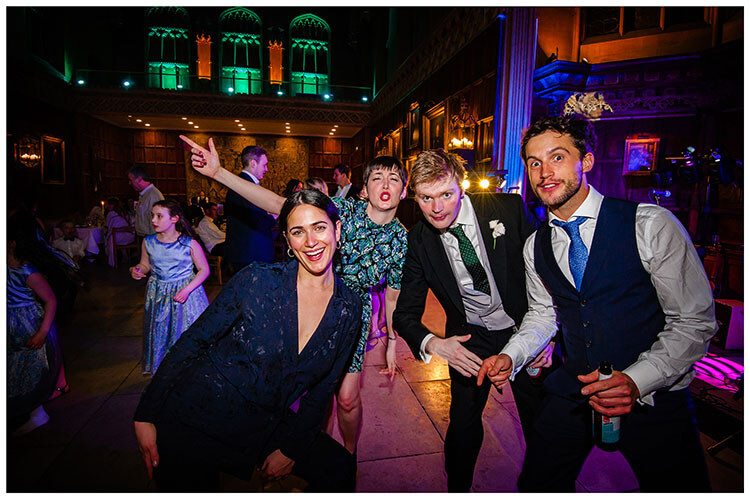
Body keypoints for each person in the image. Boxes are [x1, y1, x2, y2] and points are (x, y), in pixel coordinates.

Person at [478, 115, 716, 492]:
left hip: (653, 394)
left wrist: (637, 381)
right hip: (574, 388)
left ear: (585, 161)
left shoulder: (649, 224)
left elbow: (693, 321)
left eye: (557, 157)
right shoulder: (534, 245)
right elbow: (544, 315)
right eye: (534, 162)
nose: (543, 172)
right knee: (538, 483)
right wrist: (513, 355)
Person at [179, 135, 408, 457]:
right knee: (313, 396)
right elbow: (278, 204)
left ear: (404, 190)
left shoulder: (402, 240)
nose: (385, 184)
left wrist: (392, 344)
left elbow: (394, 296)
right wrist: (219, 173)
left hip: (352, 318)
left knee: (346, 398)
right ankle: (312, 452)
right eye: (377, 177)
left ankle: (348, 455)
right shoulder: (342, 211)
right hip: (311, 304)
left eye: (394, 178)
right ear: (364, 188)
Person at [133, 190, 361, 491]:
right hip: (198, 412)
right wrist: (146, 413)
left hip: (264, 420)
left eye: (319, 227)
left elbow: (323, 389)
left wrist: (291, 449)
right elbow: (194, 341)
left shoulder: (349, 308)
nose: (311, 241)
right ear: (288, 242)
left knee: (339, 469)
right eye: (297, 231)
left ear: (337, 230)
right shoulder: (257, 280)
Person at [392, 149, 550, 492]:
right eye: (426, 198)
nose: (437, 208)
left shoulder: (507, 208)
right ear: (414, 196)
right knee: (463, 424)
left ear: (461, 186)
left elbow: (549, 274)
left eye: (446, 194)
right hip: (468, 340)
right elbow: (404, 315)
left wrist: (549, 338)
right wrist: (435, 344)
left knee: (541, 422)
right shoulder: (418, 241)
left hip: (524, 328)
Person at [130, 200, 210, 376]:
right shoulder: (148, 242)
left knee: (184, 331)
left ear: (174, 219)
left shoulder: (188, 243)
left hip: (186, 293)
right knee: (161, 331)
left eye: (159, 216)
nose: (153, 220)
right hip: (158, 294)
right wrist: (137, 270)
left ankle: (190, 370)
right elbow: (145, 265)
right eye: (152, 215)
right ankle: (165, 371)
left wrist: (187, 289)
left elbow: (204, 270)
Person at [7, 226, 65, 435]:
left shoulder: (26, 271)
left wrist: (42, 332)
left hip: (27, 321)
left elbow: (50, 299)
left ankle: (36, 413)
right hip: (9, 322)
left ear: (12, 244)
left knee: (28, 368)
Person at [224, 146, 276, 272]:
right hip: (250, 253)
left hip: (246, 252)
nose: (267, 169)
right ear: (253, 163)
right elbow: (256, 220)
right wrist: (273, 216)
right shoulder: (245, 186)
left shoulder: (240, 183)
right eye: (264, 165)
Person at [128, 166, 165, 238]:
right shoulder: (145, 195)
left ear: (139, 179)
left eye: (131, 180)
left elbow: (158, 224)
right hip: (146, 238)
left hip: (152, 239)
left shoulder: (153, 196)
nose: (130, 183)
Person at [104, 197, 136, 267]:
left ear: (114, 205)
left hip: (117, 238)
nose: (107, 206)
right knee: (117, 234)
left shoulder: (110, 214)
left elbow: (106, 228)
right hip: (130, 237)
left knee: (109, 236)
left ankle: (107, 258)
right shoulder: (124, 212)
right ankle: (125, 256)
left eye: (109, 204)